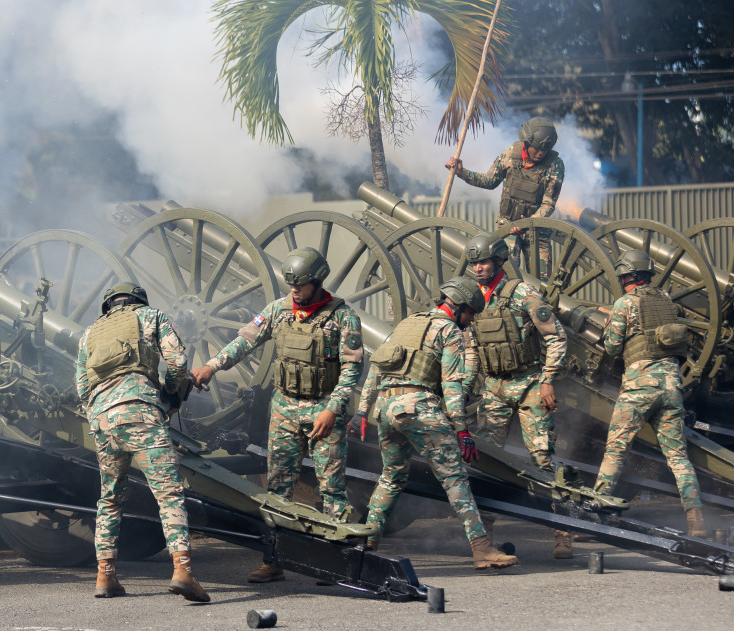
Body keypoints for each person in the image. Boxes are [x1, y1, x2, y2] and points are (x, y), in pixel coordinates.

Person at [191, 247, 363, 583]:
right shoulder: (278, 311)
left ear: (318, 281)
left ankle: (335, 562)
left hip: (323, 409)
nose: (294, 290)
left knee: (331, 489)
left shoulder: (343, 317)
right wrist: (212, 366)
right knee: (278, 489)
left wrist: (333, 409)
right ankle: (274, 560)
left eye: (300, 285)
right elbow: (244, 342)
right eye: (291, 285)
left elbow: (352, 369)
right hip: (284, 409)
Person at [354, 278, 518, 569]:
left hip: (386, 410)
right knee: (454, 478)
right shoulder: (449, 330)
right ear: (459, 306)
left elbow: (376, 369)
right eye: (470, 314)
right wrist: (462, 429)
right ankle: (482, 548)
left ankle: (367, 544)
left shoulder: (406, 324)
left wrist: (362, 412)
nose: (471, 321)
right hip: (419, 409)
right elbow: (452, 384)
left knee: (391, 478)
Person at [76, 281, 209, 602]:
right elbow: (178, 363)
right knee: (168, 492)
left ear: (109, 305)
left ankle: (105, 576)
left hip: (103, 421)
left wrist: (101, 411)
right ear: (138, 300)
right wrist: (169, 394)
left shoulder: (89, 334)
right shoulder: (152, 317)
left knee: (110, 498)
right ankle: (183, 572)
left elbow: (81, 386)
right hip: (141, 413)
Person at [464, 232, 572, 557]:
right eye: (474, 263)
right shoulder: (472, 300)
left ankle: (563, 534)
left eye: (484, 262)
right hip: (492, 389)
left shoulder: (522, 293)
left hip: (529, 385)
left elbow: (556, 336)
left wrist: (548, 380)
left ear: (499, 261)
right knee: (487, 462)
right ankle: (484, 540)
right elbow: (472, 349)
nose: (478, 268)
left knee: (542, 459)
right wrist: (463, 388)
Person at [594, 249, 706, 539]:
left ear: (627, 276)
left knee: (616, 450)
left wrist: (609, 323)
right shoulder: (666, 300)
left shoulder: (624, 303)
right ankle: (696, 521)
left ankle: (595, 515)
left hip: (640, 386)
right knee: (678, 456)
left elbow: (612, 348)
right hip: (671, 384)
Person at [445, 117, 564, 276]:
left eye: (545, 149)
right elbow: (489, 181)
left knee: (541, 281)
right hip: (508, 225)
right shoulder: (509, 155)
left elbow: (548, 204)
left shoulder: (555, 165)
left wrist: (527, 224)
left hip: (536, 229)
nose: (541, 153)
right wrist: (462, 172)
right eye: (537, 148)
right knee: (507, 275)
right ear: (527, 142)